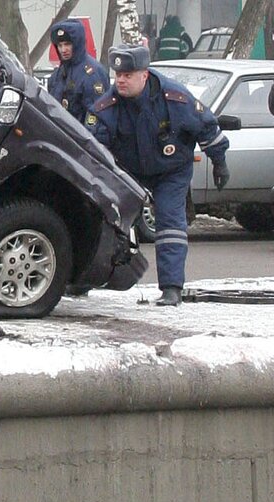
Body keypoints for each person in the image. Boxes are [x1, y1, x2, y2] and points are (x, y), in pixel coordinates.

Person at [90, 45, 229, 307]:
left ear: (144, 75)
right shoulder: (106, 107)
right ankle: (90, 279)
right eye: (118, 73)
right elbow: (95, 151)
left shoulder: (174, 98)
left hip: (171, 170)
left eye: (128, 74)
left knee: (170, 222)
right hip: (129, 173)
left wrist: (219, 162)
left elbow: (207, 127)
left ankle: (172, 288)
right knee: (108, 219)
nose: (120, 79)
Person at [47, 19, 109, 128]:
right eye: (60, 45)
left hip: (81, 140)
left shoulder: (92, 74)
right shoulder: (58, 74)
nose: (63, 50)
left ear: (77, 43)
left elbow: (98, 116)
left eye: (67, 44)